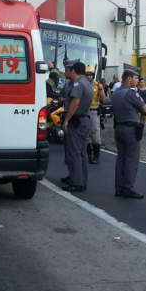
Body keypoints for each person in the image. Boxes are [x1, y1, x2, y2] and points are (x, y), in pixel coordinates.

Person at [111, 69, 146, 199]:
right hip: (130, 129)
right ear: (129, 79)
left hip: (119, 128)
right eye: (135, 78)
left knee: (120, 158)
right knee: (131, 159)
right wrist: (141, 124)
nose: (137, 81)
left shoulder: (115, 93)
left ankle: (119, 187)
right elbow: (145, 109)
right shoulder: (130, 93)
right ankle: (127, 187)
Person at [60, 60, 93, 192]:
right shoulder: (86, 83)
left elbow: (75, 102)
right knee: (82, 153)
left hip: (76, 120)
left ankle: (77, 182)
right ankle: (80, 179)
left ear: (73, 70)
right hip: (84, 120)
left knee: (75, 153)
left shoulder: (78, 84)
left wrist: (66, 120)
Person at [85, 67, 102, 164]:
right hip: (84, 112)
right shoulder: (82, 84)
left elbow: (104, 98)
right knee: (86, 135)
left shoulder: (97, 85)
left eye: (90, 75)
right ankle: (89, 156)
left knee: (95, 135)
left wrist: (100, 89)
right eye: (87, 75)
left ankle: (96, 156)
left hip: (94, 112)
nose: (88, 77)